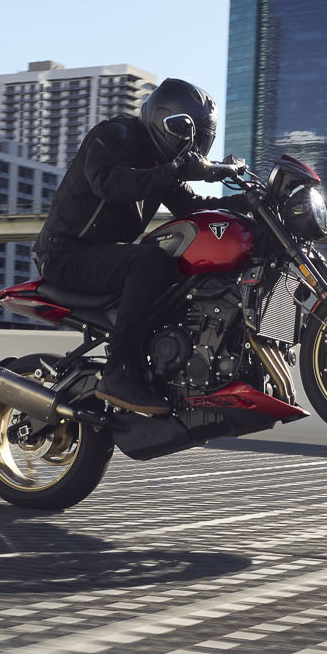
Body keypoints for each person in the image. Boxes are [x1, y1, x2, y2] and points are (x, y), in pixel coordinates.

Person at [33, 78, 231, 416]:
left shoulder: (160, 164)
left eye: (201, 139)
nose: (194, 146)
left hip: (106, 256)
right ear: (164, 119)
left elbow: (190, 207)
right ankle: (119, 371)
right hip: (65, 254)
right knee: (151, 262)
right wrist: (175, 171)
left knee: (182, 270)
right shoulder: (114, 136)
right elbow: (111, 184)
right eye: (189, 134)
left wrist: (247, 205)